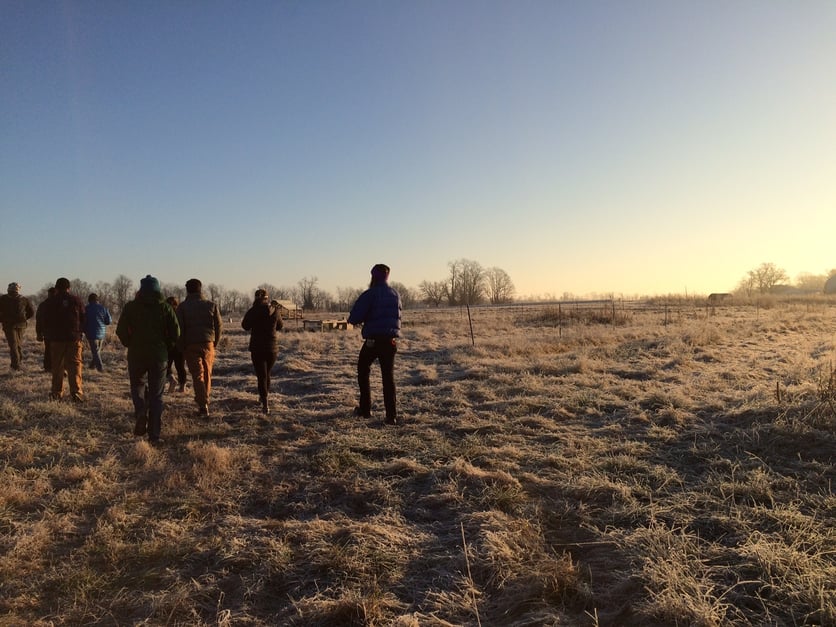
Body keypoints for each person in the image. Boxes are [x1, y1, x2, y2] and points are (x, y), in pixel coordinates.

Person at [116, 275, 180, 444]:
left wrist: (129, 343)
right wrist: (167, 345)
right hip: (159, 356)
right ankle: (154, 435)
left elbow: (120, 330)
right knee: (157, 396)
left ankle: (140, 413)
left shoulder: (130, 307)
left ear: (141, 290)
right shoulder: (165, 308)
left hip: (136, 354)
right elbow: (176, 332)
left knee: (137, 387)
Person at [347, 263, 402, 425]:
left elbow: (355, 318)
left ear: (373, 277)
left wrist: (354, 318)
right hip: (390, 341)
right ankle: (391, 416)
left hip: (372, 341)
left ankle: (365, 409)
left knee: (363, 371)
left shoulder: (370, 295)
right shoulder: (395, 294)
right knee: (388, 377)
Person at [176, 278, 222, 417]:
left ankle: (203, 404)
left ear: (187, 290)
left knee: (197, 374)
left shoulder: (182, 307)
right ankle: (205, 400)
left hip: (190, 344)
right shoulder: (211, 305)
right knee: (207, 373)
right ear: (200, 289)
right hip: (208, 343)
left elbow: (180, 328)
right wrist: (215, 342)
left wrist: (181, 345)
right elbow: (219, 325)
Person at [42, 277, 86, 402]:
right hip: (74, 338)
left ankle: (56, 392)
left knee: (57, 366)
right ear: (69, 288)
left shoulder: (50, 301)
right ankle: (76, 392)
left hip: (56, 339)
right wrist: (80, 332)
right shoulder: (76, 300)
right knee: (75, 365)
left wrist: (48, 334)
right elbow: (83, 318)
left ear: (56, 288)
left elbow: (45, 320)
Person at [241, 289, 283, 415]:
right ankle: (264, 397)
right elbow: (280, 326)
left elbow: (245, 326)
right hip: (272, 348)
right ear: (267, 298)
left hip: (257, 348)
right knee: (267, 373)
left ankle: (264, 403)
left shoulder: (253, 311)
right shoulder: (275, 310)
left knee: (261, 376)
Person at [0, 282, 35, 370]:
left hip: (9, 325)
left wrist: (2, 319)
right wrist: (24, 318)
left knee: (13, 345)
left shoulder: (3, 299)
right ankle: (18, 363)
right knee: (18, 344)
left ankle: (16, 365)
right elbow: (31, 312)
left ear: (9, 289)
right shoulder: (24, 299)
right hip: (21, 324)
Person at [83, 293, 112, 372]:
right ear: (97, 300)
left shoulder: (86, 309)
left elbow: (84, 321)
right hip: (101, 333)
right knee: (97, 351)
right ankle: (92, 366)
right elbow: (108, 321)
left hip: (91, 333)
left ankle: (100, 368)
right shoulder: (103, 308)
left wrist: (84, 330)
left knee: (96, 352)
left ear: (89, 300)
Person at [165, 296, 187, 393]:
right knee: (180, 367)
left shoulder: (165, 314)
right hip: (180, 344)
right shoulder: (181, 314)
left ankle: (171, 379)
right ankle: (182, 386)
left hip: (168, 344)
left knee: (166, 366)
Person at [35, 287, 56, 372]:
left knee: (48, 349)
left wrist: (39, 333)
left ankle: (47, 367)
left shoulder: (43, 305)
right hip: (58, 332)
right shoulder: (59, 303)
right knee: (58, 351)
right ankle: (58, 367)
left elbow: (38, 320)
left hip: (47, 332)